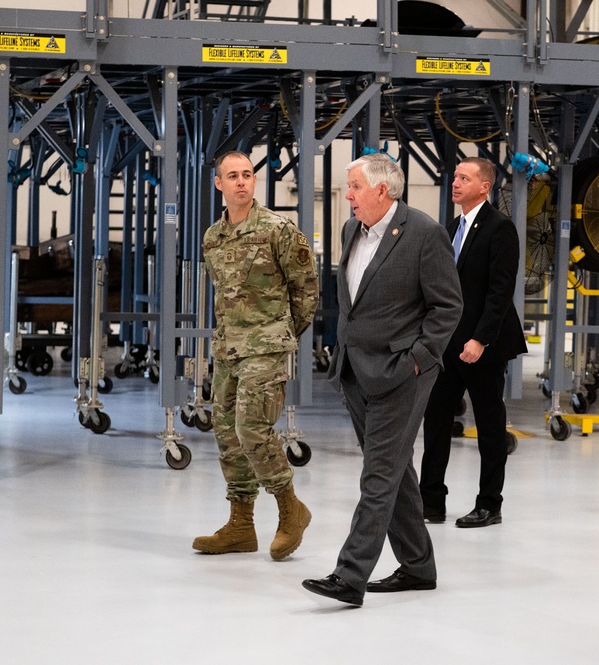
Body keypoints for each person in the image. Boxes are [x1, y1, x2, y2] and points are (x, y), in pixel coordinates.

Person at [302, 153, 462, 606]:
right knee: (395, 474)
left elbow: (448, 306)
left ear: (382, 190)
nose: (347, 195)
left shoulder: (424, 233)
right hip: (355, 371)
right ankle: (418, 566)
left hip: (401, 374)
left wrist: (417, 359)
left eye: (353, 186)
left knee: (377, 475)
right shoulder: (352, 230)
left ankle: (349, 576)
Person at [193, 151, 318, 561]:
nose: (242, 182)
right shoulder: (213, 237)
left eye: (248, 174)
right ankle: (241, 525)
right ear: (219, 184)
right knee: (226, 432)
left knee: (252, 429)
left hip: (265, 345)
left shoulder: (278, 230)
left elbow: (306, 290)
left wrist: (281, 335)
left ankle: (289, 509)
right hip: (229, 347)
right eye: (233, 176)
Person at [419, 157, 527, 528]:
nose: (456, 182)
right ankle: (430, 501)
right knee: (435, 421)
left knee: (489, 424)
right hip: (447, 344)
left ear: (485, 186)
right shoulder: (451, 228)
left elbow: (500, 292)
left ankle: (489, 504)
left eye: (464, 178)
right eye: (455, 176)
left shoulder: (500, 228)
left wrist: (479, 339)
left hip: (484, 345)